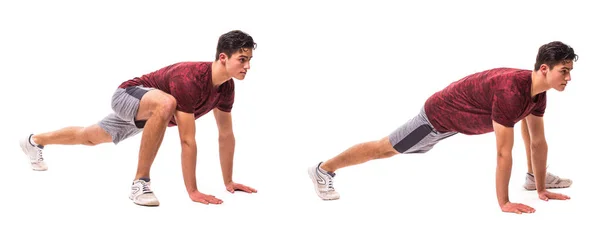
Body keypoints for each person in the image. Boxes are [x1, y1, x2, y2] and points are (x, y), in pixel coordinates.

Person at [307, 41, 577, 214]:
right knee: (385, 149)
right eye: (563, 71)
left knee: (530, 132)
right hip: (437, 118)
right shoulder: (511, 92)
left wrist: (540, 187)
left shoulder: (537, 93)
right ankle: (323, 169)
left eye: (570, 71)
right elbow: (503, 153)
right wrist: (504, 203)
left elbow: (536, 140)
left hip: (458, 122)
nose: (569, 77)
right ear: (544, 68)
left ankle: (532, 179)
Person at [19, 30, 258, 207]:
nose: (247, 66)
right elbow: (187, 140)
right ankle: (140, 183)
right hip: (130, 94)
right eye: (242, 59)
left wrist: (229, 181)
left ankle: (34, 141)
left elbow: (226, 135)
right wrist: (192, 191)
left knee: (89, 137)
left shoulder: (226, 88)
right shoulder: (191, 78)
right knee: (167, 102)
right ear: (224, 57)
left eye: (249, 60)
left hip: (148, 115)